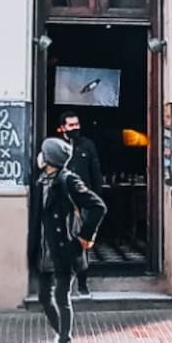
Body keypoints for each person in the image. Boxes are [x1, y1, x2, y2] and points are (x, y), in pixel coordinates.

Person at [28, 137, 106, 343]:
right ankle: (60, 335)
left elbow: (98, 206)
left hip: (64, 249)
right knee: (44, 297)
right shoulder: (41, 181)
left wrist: (84, 237)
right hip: (45, 249)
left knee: (62, 297)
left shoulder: (68, 180)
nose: (39, 157)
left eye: (43, 153)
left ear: (49, 159)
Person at [58, 111, 103, 298]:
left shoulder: (87, 145)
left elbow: (96, 173)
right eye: (71, 125)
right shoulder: (56, 146)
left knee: (82, 244)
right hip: (62, 201)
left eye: (77, 124)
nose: (75, 128)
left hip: (83, 203)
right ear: (63, 128)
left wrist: (96, 198)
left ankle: (82, 283)